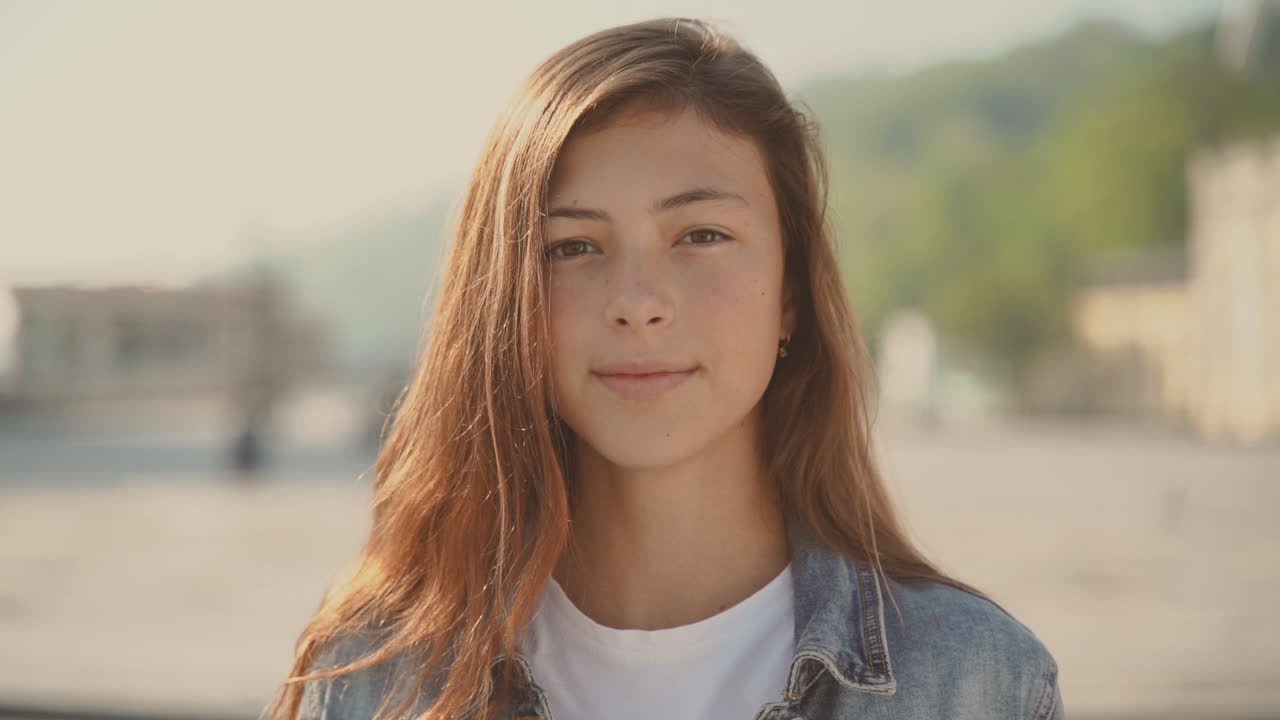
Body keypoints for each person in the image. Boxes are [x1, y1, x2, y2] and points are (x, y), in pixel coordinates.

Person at [262, 17, 1063, 720]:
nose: (638, 303)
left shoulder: (975, 682)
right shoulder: (377, 676)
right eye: (572, 248)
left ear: (790, 294)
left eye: (700, 235)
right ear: (503, 305)